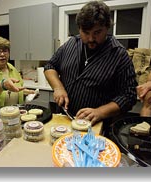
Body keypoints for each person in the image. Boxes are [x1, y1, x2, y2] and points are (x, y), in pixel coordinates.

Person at [44, 1, 137, 134]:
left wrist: (100, 112)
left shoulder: (119, 55)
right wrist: (58, 88)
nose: (91, 38)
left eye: (97, 32)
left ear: (107, 28)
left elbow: (129, 96)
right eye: (85, 32)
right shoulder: (71, 44)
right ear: (79, 29)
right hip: (64, 121)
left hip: (94, 128)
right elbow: (50, 66)